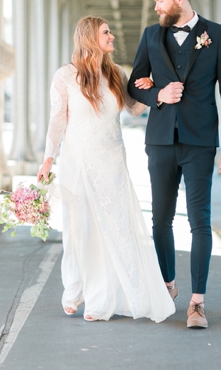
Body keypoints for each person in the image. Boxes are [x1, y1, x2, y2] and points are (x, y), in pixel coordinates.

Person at [36, 16, 175, 323]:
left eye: (110, 31)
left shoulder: (116, 73)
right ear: (89, 38)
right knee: (79, 229)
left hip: (112, 160)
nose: (112, 36)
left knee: (116, 227)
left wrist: (149, 90)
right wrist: (48, 158)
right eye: (106, 32)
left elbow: (133, 108)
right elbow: (58, 119)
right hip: (78, 162)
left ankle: (104, 298)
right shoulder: (65, 76)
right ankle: (73, 290)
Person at [127, 0, 221, 329]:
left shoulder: (217, 36)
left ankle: (197, 303)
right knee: (160, 219)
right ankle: (169, 285)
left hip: (200, 142)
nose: (156, 5)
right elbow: (133, 85)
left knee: (199, 222)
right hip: (160, 140)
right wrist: (157, 94)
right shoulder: (150, 35)